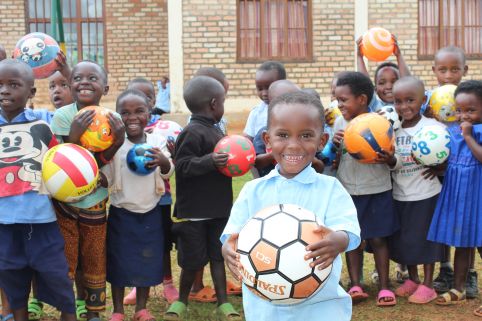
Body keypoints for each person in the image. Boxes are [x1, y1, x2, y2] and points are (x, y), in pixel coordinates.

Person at [222, 91, 361, 321]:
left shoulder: (330, 189)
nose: (294, 145)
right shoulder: (253, 191)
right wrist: (226, 248)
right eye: (283, 135)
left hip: (321, 309)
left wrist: (339, 240)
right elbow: (231, 237)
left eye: (306, 135)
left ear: (322, 141)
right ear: (267, 140)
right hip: (266, 309)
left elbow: (349, 231)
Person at [0, 59, 76, 321]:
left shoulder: (43, 126)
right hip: (4, 224)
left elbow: (60, 163)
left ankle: (69, 314)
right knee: (12, 277)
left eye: (13, 84)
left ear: (31, 92)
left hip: (41, 221)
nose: (5, 91)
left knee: (57, 276)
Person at [50, 60, 125, 321]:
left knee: (94, 256)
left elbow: (102, 161)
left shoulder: (111, 119)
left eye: (92, 78)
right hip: (64, 202)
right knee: (66, 257)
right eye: (78, 78)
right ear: (70, 84)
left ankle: (94, 311)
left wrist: (117, 143)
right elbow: (60, 158)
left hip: (95, 201)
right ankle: (67, 309)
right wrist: (74, 136)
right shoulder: (62, 116)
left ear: (104, 87)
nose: (84, 82)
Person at [164, 76, 240, 320]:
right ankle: (181, 301)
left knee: (218, 257)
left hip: (218, 209)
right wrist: (210, 161)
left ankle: (223, 302)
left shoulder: (216, 130)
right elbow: (183, 165)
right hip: (195, 212)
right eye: (224, 102)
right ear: (214, 103)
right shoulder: (192, 131)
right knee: (192, 261)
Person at [102, 89, 174, 321]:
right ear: (117, 117)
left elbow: (168, 171)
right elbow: (108, 179)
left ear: (149, 113)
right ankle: (118, 311)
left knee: (148, 260)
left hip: (150, 211)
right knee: (119, 262)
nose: (132, 117)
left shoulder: (156, 141)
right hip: (122, 213)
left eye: (139, 111)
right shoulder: (115, 146)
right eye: (125, 112)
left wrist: (163, 161)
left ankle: (141, 308)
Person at [333, 72, 398, 306]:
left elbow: (395, 159)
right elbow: (334, 159)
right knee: (353, 240)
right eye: (337, 100)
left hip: (377, 189)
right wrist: (335, 145)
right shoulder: (339, 123)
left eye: (343, 100)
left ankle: (383, 286)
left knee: (379, 238)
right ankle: (355, 284)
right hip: (349, 192)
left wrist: (389, 159)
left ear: (361, 99)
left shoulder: (380, 123)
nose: (339, 105)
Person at [121, 78, 179, 305]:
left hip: (160, 198)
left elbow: (170, 167)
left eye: (145, 98)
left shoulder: (163, 132)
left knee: (162, 242)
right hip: (132, 199)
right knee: (136, 242)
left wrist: (168, 157)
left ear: (153, 101)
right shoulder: (121, 133)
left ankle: (167, 282)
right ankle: (137, 284)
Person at [387, 76, 444, 304]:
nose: (404, 106)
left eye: (410, 100)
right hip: (400, 192)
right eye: (398, 101)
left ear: (422, 100)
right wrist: (388, 159)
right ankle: (413, 279)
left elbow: (447, 155)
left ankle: (429, 285)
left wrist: (440, 168)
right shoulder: (393, 129)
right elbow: (394, 162)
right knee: (405, 239)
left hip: (426, 192)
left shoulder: (433, 128)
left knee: (425, 240)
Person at [427, 80, 482, 308]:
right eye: (459, 110)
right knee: (462, 243)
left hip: (478, 198)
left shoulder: (475, 132)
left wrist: (469, 136)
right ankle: (458, 288)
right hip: (459, 196)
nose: (463, 116)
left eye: (471, 110)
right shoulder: (452, 131)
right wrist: (437, 166)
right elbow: (451, 161)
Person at [356, 34, 410, 111]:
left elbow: (408, 82)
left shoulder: (408, 105)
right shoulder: (375, 106)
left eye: (394, 81)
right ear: (375, 89)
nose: (389, 86)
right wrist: (359, 57)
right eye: (382, 82)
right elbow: (365, 84)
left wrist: (399, 55)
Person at [243, 61, 286, 141]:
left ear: (282, 83)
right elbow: (248, 138)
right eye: (260, 89)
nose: (264, 93)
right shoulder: (256, 112)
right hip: (261, 152)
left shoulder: (292, 109)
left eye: (269, 87)